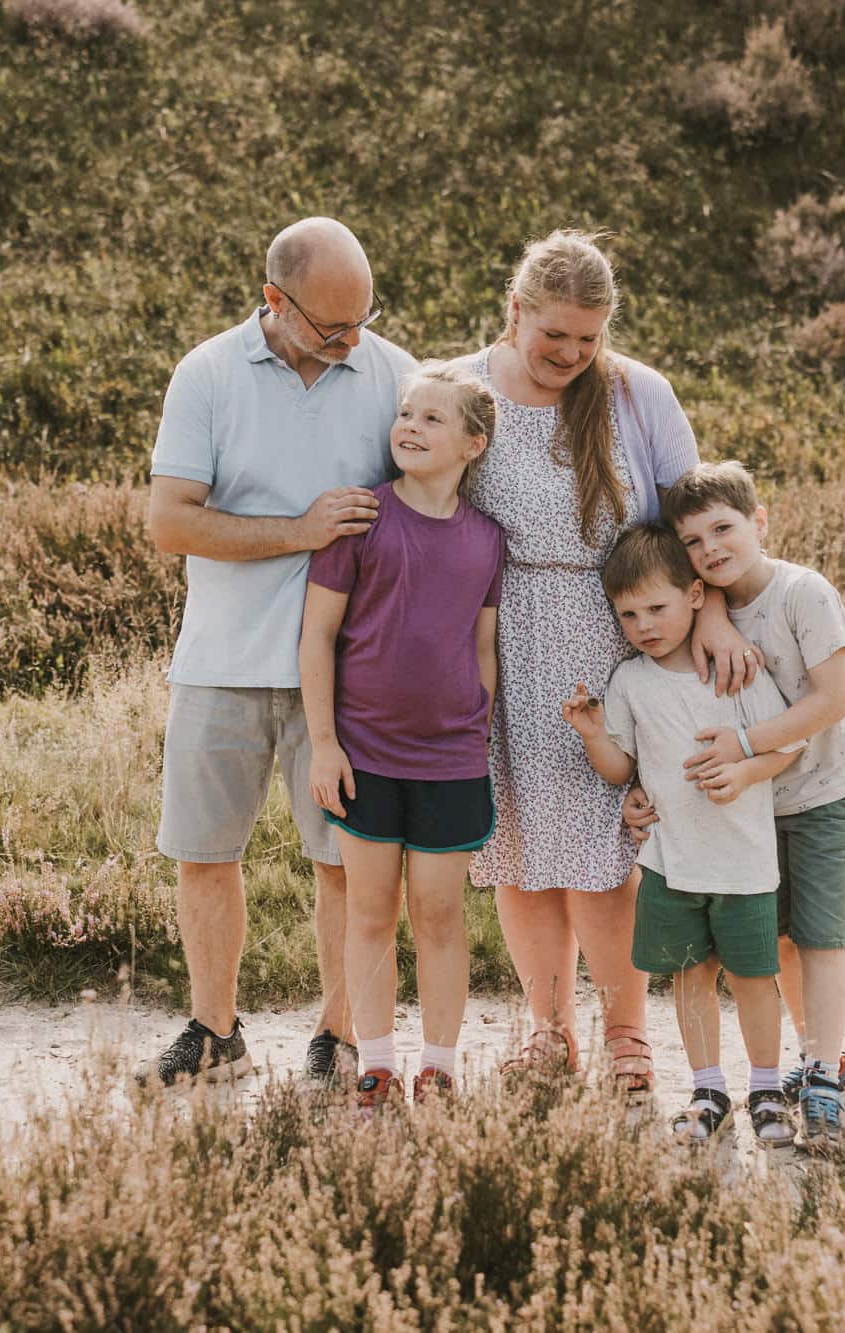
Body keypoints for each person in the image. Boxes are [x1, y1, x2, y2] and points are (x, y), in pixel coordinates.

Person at [461, 230, 759, 1091]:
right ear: (513, 310)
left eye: (587, 339)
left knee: (605, 846)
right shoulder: (462, 386)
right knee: (519, 847)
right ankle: (548, 1031)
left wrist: (715, 618)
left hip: (616, 639)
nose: (570, 354)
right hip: (502, 641)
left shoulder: (637, 393)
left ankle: (628, 1030)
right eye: (553, 334)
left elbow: (691, 515)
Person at [139, 217, 417, 1088]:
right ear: (274, 301)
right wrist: (298, 533)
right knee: (204, 854)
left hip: (349, 674)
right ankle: (215, 1030)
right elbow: (170, 521)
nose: (351, 342)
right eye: (332, 327)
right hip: (221, 658)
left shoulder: (396, 373)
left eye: (363, 321)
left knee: (346, 865)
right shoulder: (208, 373)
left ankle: (337, 1039)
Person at [299, 362, 506, 1111]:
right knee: (370, 909)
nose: (410, 427)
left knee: (440, 914)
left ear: (473, 444)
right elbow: (317, 637)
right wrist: (325, 743)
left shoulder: (488, 541)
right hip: (364, 757)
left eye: (432, 419)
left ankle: (441, 1065)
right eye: (406, 414)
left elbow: (482, 646)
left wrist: (474, 719)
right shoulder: (363, 519)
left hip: (451, 761)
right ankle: (377, 1064)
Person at [563, 523, 805, 1150]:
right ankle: (707, 1090)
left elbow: (789, 741)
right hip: (670, 865)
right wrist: (593, 735)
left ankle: (767, 1089)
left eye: (658, 607)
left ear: (696, 595)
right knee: (689, 976)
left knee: (754, 978)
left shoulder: (734, 670)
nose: (644, 624)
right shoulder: (629, 682)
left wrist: (747, 768)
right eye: (629, 614)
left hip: (743, 863)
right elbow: (622, 768)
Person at [662, 460, 845, 1149]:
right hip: (751, 806)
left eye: (723, 529)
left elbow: (831, 699)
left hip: (823, 789)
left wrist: (746, 744)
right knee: (778, 936)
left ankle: (822, 1078)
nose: (711, 549)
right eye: (693, 541)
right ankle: (816, 1053)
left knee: (820, 935)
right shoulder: (698, 607)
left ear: (760, 521)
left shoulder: (804, 593)